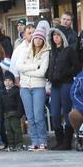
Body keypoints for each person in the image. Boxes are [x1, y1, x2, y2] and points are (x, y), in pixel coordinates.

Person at [18, 20, 51, 150]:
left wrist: (27, 70)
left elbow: (42, 72)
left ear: (43, 40)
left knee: (38, 116)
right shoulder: (25, 50)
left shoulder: (46, 53)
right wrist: (33, 67)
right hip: (25, 87)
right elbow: (18, 66)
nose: (37, 40)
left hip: (38, 87)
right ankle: (34, 141)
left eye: (40, 38)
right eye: (35, 38)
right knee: (30, 117)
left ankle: (43, 140)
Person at [48, 27, 81, 150]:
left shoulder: (69, 50)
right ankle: (59, 140)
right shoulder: (52, 52)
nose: (56, 37)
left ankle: (67, 142)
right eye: (54, 36)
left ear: (62, 36)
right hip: (54, 85)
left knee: (67, 112)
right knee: (55, 114)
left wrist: (65, 73)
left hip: (66, 84)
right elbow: (50, 67)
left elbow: (76, 67)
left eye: (58, 35)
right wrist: (49, 75)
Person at [0, 73, 25, 151]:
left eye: (10, 80)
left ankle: (19, 144)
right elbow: (1, 105)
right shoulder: (2, 92)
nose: (7, 82)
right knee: (8, 130)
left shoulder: (16, 90)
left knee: (16, 129)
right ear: (3, 82)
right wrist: (1, 114)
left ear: (13, 81)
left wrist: (19, 113)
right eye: (5, 80)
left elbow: (19, 103)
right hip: (6, 114)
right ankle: (11, 145)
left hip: (14, 113)